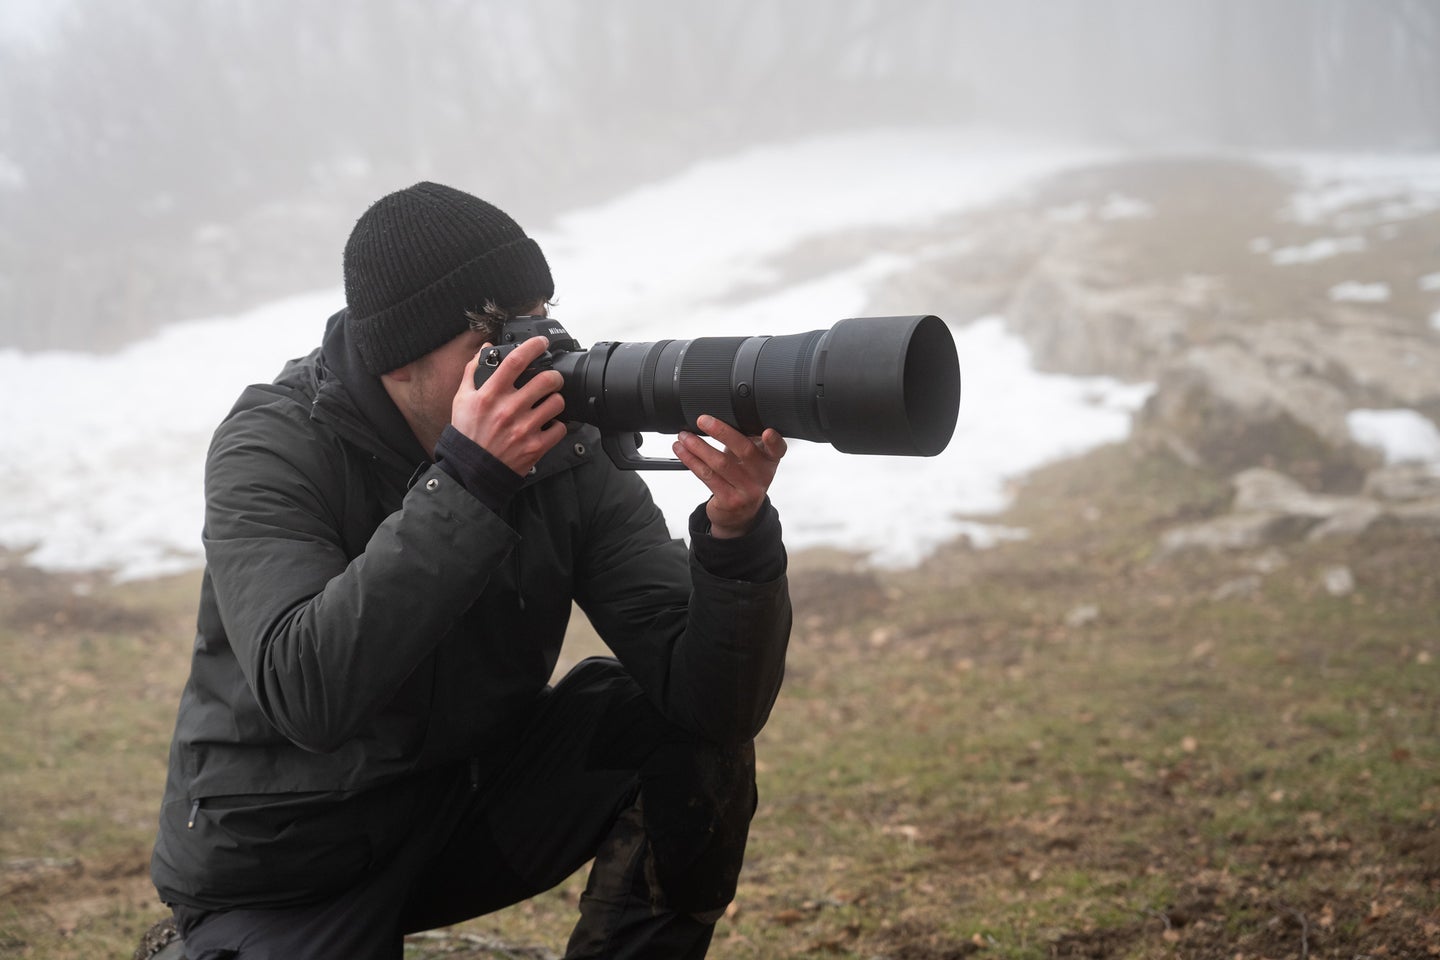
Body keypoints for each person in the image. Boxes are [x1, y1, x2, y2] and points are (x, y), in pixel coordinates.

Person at [149, 181, 793, 959]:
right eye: (499, 333)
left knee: (681, 738)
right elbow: (307, 691)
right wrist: (469, 482)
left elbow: (714, 705)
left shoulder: (565, 445)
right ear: (402, 356)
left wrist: (735, 540)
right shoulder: (273, 446)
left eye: (541, 316)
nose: (537, 353)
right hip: (287, 859)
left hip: (463, 809)